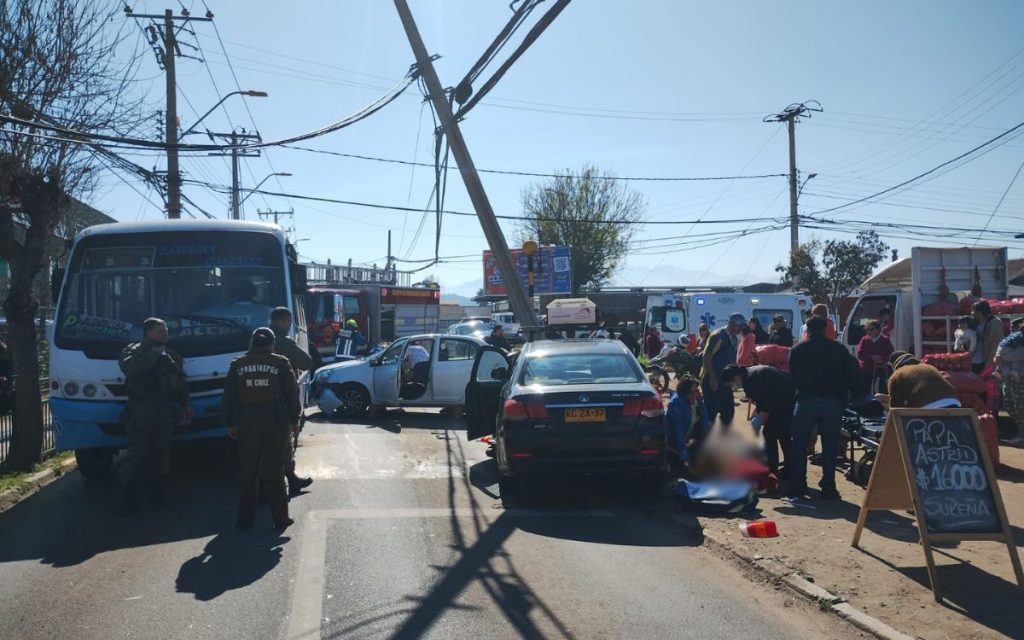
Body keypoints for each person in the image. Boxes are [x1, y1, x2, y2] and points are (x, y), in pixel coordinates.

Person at [221, 327, 300, 530]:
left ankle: (245, 519)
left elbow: (228, 397)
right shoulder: (281, 363)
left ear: (252, 342)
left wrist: (230, 423)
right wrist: (294, 420)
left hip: (247, 422)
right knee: (275, 471)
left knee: (249, 471)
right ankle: (281, 518)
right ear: (272, 344)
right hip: (275, 422)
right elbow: (292, 393)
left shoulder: (238, 365)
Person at [117, 318, 192, 515]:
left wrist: (186, 405)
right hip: (141, 410)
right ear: (149, 332)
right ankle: (128, 497)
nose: (165, 334)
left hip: (164, 410)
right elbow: (132, 370)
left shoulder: (172, 354)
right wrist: (153, 355)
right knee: (136, 454)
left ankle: (156, 494)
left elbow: (181, 382)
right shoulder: (133, 351)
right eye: (160, 331)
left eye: (165, 330)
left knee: (160, 453)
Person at [787, 315, 860, 499]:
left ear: (808, 330)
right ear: (825, 329)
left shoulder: (797, 350)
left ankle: (798, 485)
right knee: (830, 446)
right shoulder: (839, 349)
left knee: (799, 444)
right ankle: (829, 485)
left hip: (806, 400)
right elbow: (852, 373)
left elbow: (793, 377)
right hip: (833, 401)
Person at [269, 307, 314, 497]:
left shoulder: (258, 340)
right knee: (284, 444)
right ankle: (284, 484)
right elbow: (307, 362)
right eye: (288, 322)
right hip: (281, 403)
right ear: (284, 321)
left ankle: (291, 478)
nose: (289, 326)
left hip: (257, 405)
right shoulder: (281, 342)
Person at [721, 364, 794, 476]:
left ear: (734, 378)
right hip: (789, 394)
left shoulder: (750, 380)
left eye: (731, 384)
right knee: (783, 434)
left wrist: (763, 414)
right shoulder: (749, 373)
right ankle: (790, 468)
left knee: (769, 434)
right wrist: (758, 415)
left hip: (782, 399)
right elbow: (762, 399)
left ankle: (772, 469)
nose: (733, 387)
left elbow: (770, 396)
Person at [700, 313, 745, 429]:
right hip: (712, 380)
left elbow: (732, 360)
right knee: (711, 413)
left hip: (725, 382)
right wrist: (712, 378)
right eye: (739, 325)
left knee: (728, 413)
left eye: (742, 326)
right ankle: (704, 441)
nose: (741, 328)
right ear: (731, 323)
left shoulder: (734, 338)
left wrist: (733, 378)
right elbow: (707, 356)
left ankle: (723, 439)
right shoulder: (718, 336)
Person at [886, 353, 959, 409]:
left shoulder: (897, 374)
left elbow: (896, 408)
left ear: (893, 365)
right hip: (954, 401)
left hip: (928, 405)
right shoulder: (928, 367)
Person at [665, 375, 710, 465]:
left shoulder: (695, 401)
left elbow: (705, 423)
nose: (695, 394)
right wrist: (682, 449)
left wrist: (701, 403)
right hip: (675, 444)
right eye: (691, 392)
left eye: (697, 391)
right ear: (683, 392)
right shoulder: (677, 403)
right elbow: (678, 429)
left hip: (688, 439)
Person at [995, 318, 1024, 445]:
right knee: (1009, 405)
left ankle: (1021, 436)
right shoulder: (1016, 341)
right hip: (1010, 379)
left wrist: (1001, 357)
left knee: (1020, 408)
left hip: (1020, 380)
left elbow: (1014, 356)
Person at [855, 319, 895, 396]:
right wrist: (871, 357)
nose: (869, 331)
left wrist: (881, 358)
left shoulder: (885, 340)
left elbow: (891, 355)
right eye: (867, 329)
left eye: (871, 329)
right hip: (866, 371)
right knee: (865, 392)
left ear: (877, 329)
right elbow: (859, 355)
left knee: (880, 392)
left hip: (881, 372)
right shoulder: (864, 340)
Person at [973, 301, 1005, 370]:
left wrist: (990, 363)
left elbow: (996, 345)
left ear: (979, 312)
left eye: (973, 311)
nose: (972, 313)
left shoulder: (994, 324)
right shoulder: (975, 324)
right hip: (974, 361)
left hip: (985, 362)